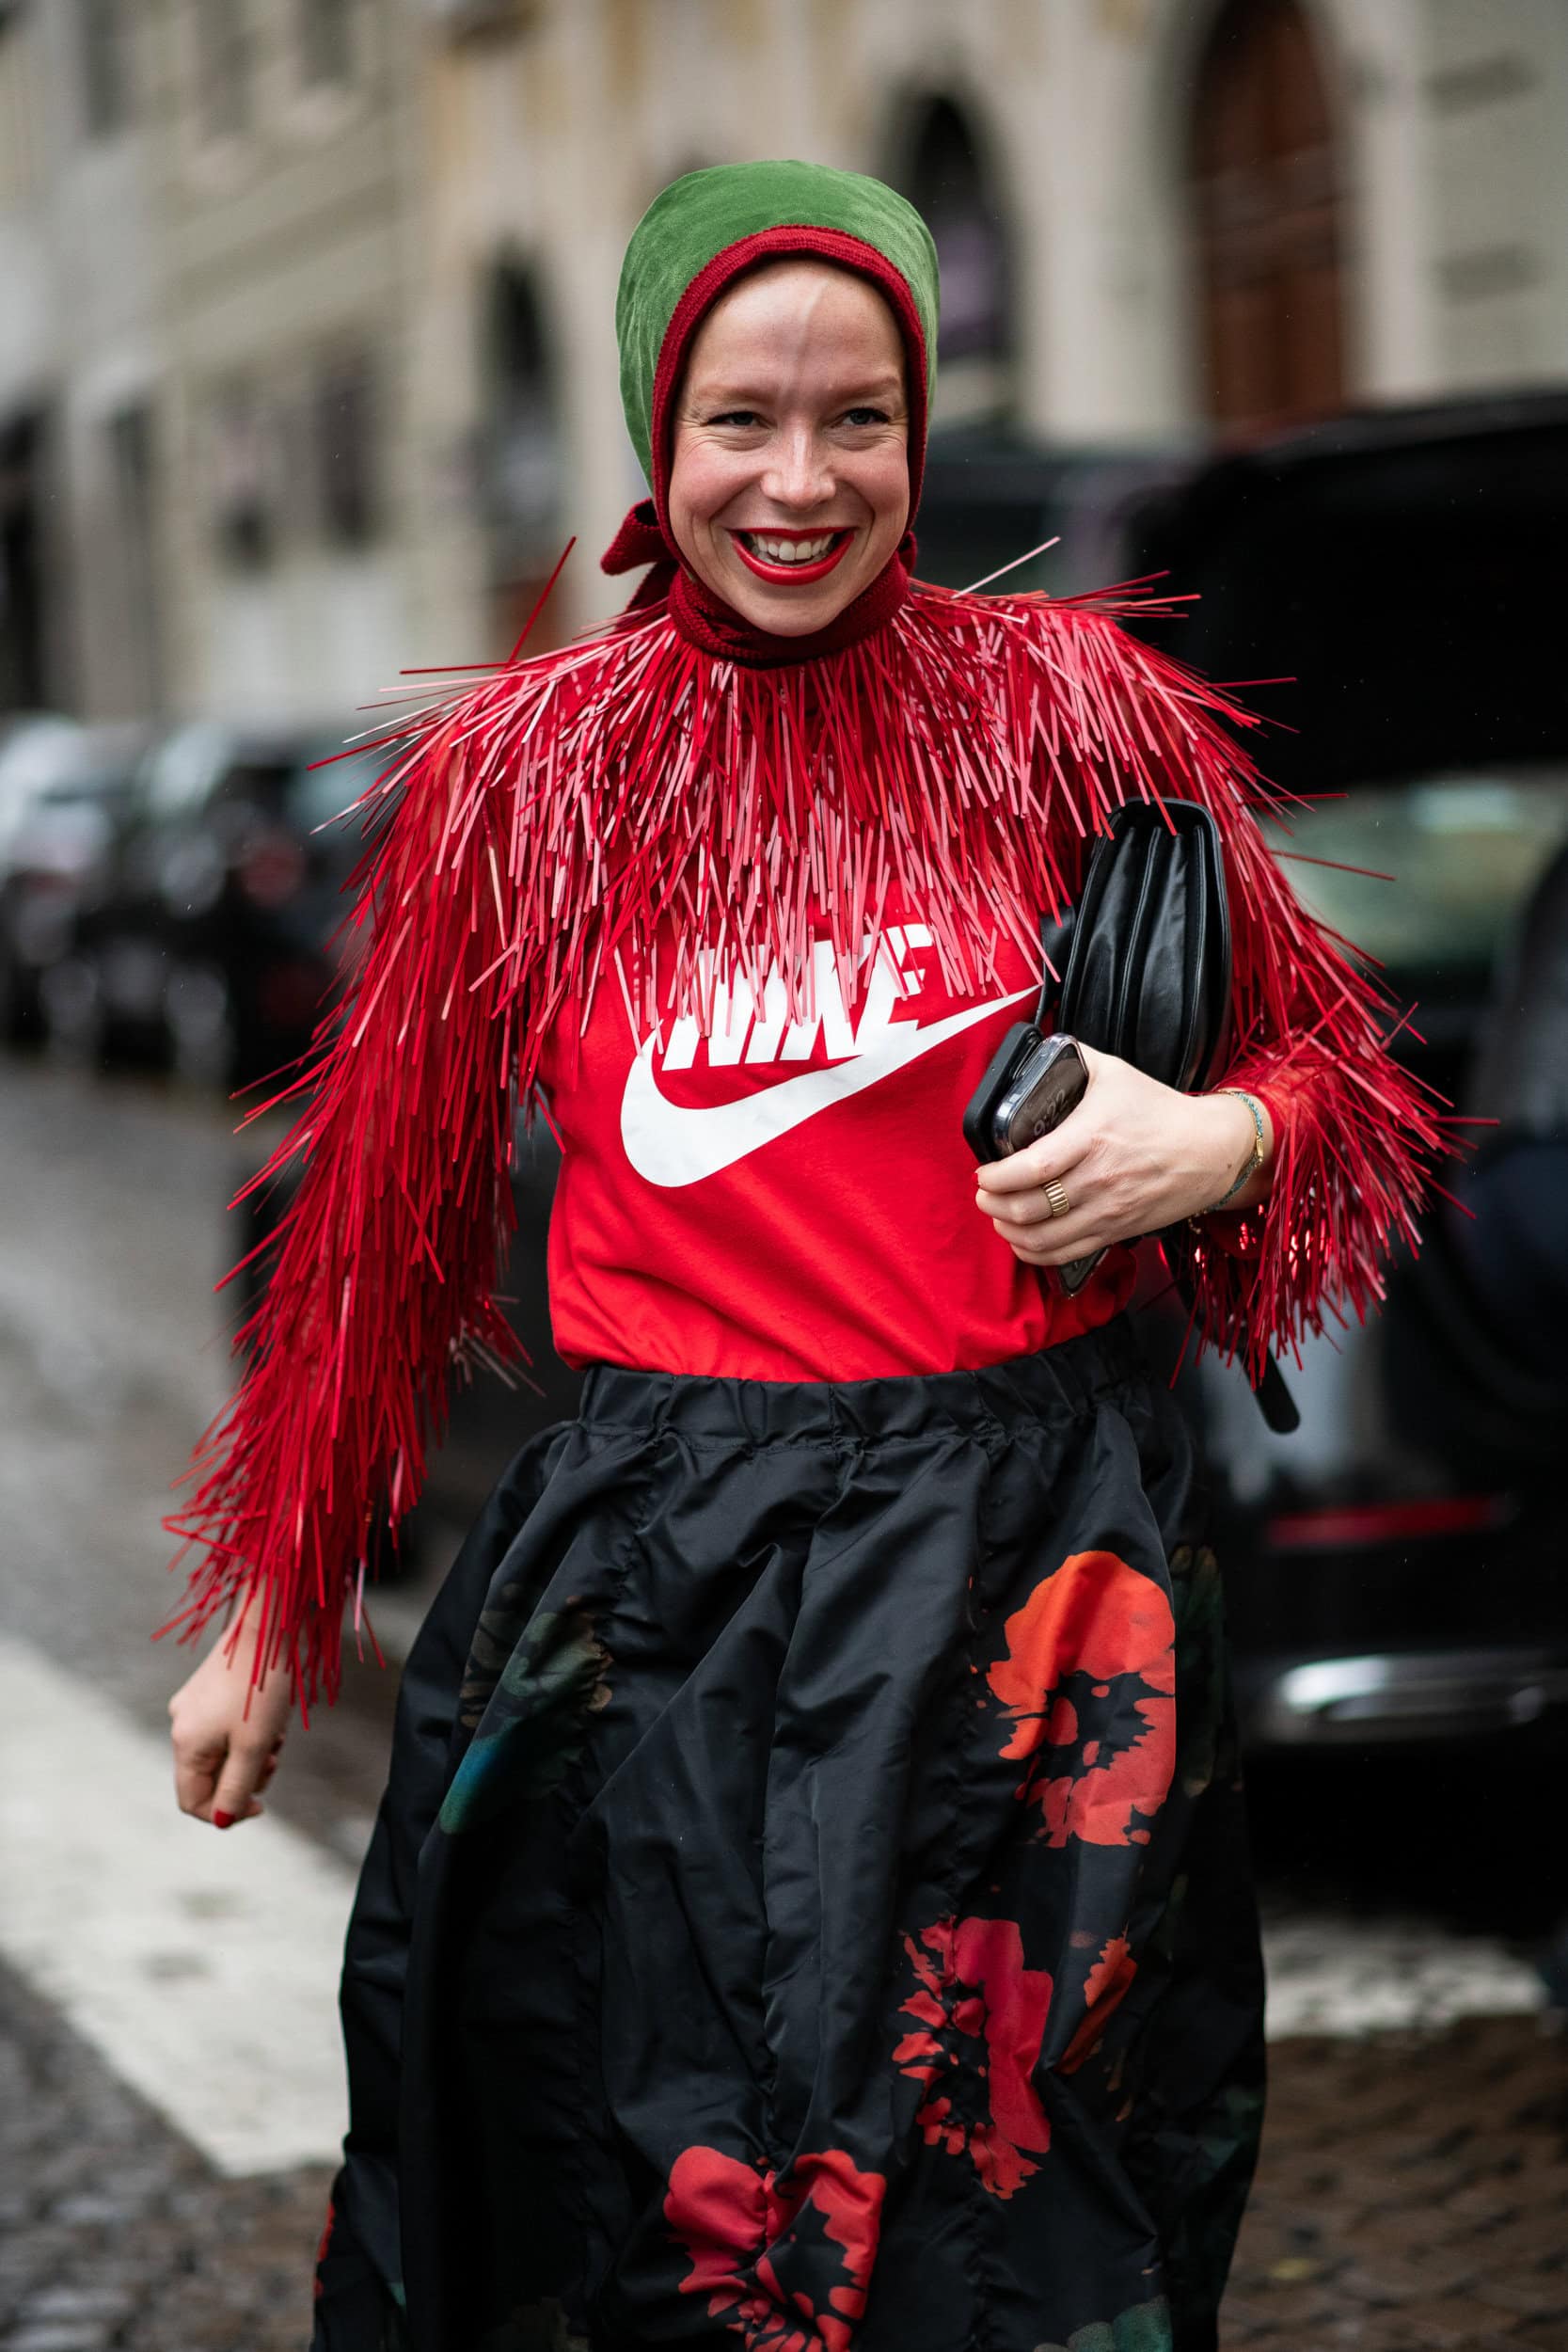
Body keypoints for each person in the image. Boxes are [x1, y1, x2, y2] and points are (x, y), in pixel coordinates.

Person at [163, 163, 1437, 2352]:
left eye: (860, 417)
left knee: (1025, 2229)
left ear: (923, 431)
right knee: (668, 2212)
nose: (801, 477)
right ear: (658, 435)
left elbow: (1355, 1095)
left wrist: (1210, 1137)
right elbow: (379, 1232)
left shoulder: (1080, 719)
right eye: (741, 418)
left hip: (1044, 1587)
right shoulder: (525, 780)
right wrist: (271, 1604)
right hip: (671, 1597)